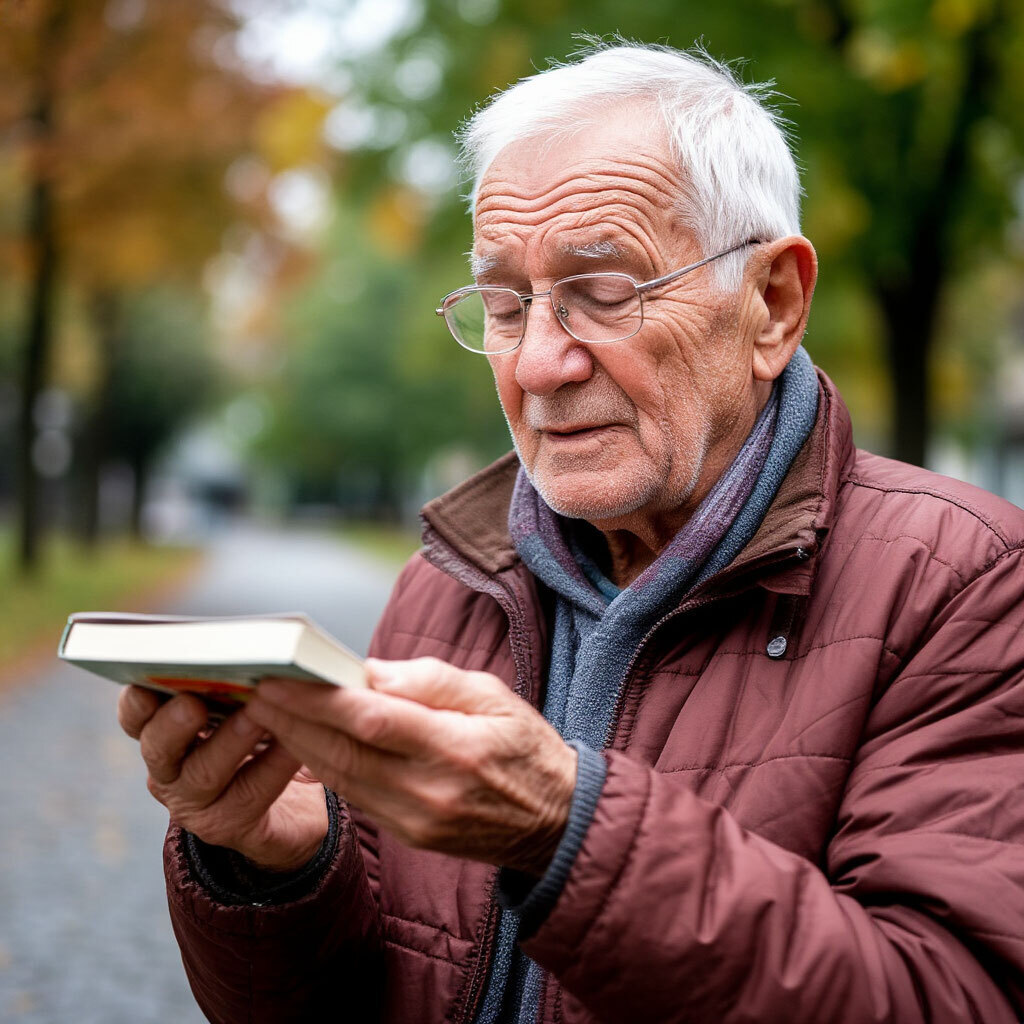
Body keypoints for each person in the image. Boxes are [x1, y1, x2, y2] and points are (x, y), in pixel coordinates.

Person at [117, 41, 1024, 1023]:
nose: (540, 364)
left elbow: (953, 997)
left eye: (603, 292)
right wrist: (279, 864)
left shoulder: (961, 579)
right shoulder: (453, 577)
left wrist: (564, 829)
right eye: (505, 304)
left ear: (770, 305)